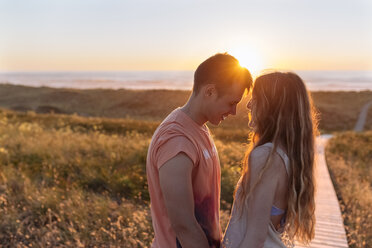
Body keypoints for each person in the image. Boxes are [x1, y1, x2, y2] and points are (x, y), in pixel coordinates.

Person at [146, 53, 252, 248]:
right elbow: (183, 224)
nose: (234, 112)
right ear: (210, 91)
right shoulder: (176, 140)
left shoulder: (198, 127)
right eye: (232, 103)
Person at [222, 71, 318, 247]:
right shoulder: (289, 157)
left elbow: (255, 237)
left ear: (270, 107)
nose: (249, 105)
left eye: (256, 98)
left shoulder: (266, 157)